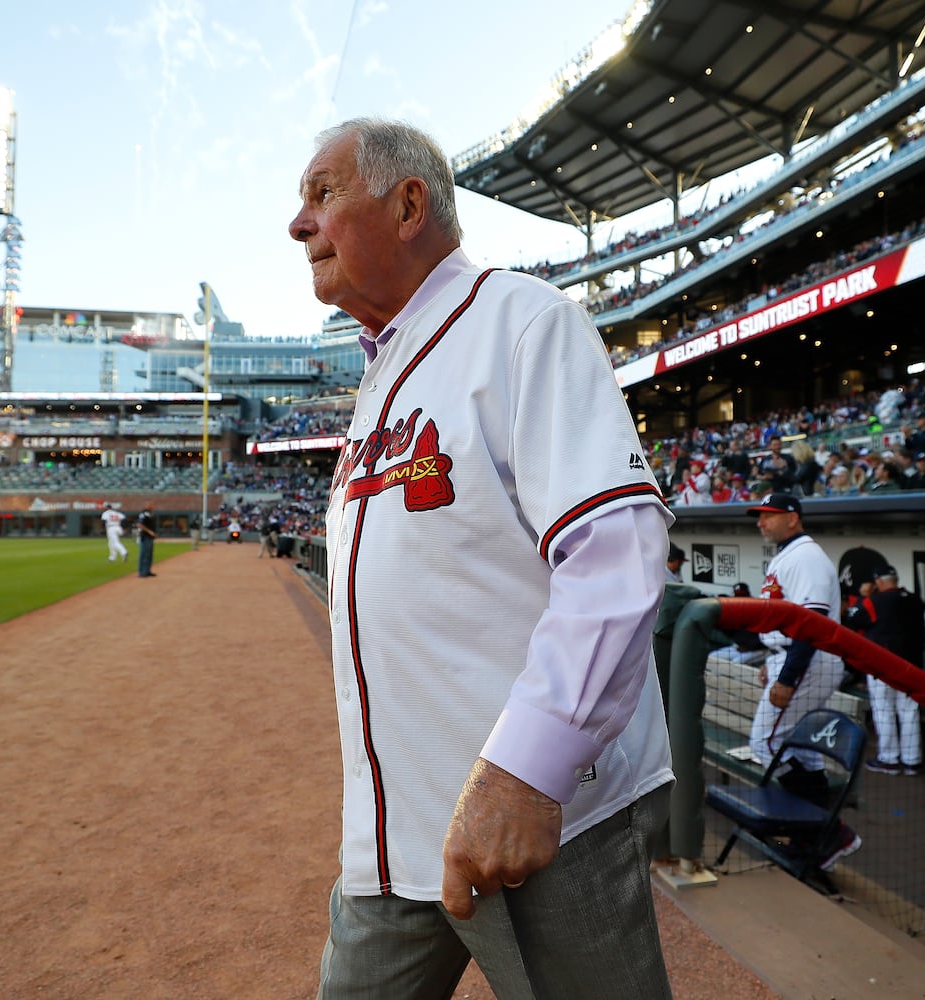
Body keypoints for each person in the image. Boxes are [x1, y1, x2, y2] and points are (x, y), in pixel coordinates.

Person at [290, 117, 674, 999]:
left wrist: (525, 772)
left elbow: (614, 554)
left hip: (529, 823)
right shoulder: (381, 371)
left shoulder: (520, 320)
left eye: (322, 195)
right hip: (389, 837)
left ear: (408, 204)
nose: (298, 224)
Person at [745, 492, 860, 870]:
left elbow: (811, 624)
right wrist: (773, 660)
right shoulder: (791, 555)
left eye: (769, 515)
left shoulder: (807, 557)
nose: (761, 522)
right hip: (795, 658)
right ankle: (811, 835)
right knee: (802, 750)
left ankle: (830, 833)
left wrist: (788, 677)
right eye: (759, 516)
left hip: (809, 661)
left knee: (765, 741)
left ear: (792, 517)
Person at [846, 566, 925, 775]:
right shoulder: (914, 599)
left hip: (884, 665)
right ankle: (911, 761)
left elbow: (853, 618)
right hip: (911, 665)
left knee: (884, 711)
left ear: (878, 582)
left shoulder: (875, 601)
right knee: (909, 711)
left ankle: (889, 759)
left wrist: (863, 597)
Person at [136, 502, 157, 577]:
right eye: (150, 505)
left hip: (150, 537)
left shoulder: (150, 513)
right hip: (145, 536)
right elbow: (139, 524)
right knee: (144, 554)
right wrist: (149, 531)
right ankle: (141, 572)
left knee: (149, 555)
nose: (152, 506)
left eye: (152, 505)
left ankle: (147, 570)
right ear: (146, 505)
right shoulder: (143, 513)